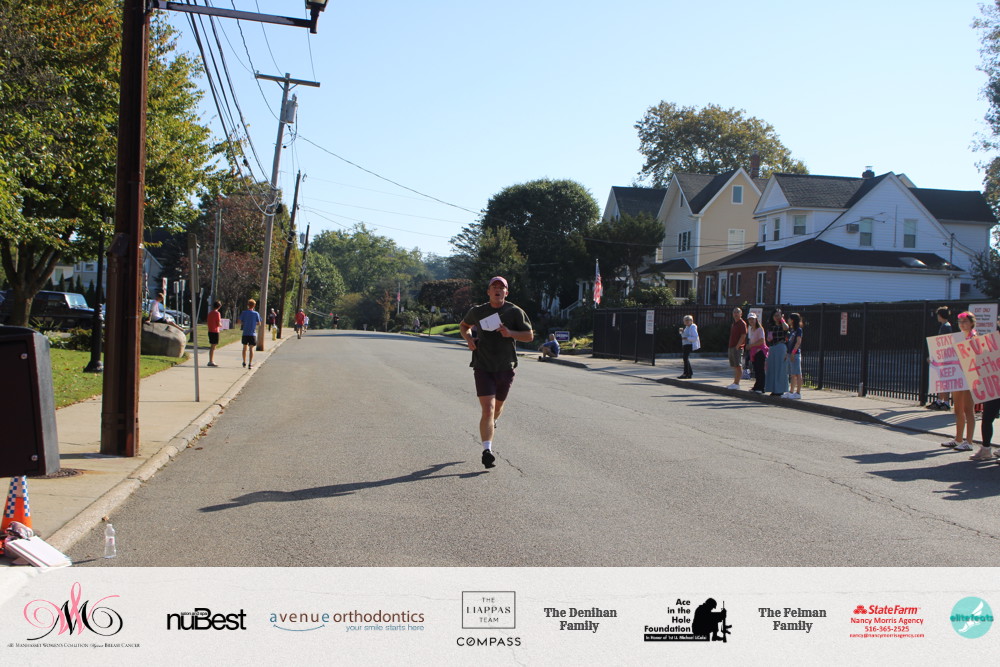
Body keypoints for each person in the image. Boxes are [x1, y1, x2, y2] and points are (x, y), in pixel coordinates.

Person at [459, 276, 534, 469]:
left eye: (502, 287)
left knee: (497, 408)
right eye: (494, 287)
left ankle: (493, 422)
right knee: (488, 409)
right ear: (488, 291)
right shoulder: (477, 311)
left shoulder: (514, 312)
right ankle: (487, 451)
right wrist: (469, 339)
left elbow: (529, 336)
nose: (498, 290)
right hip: (483, 366)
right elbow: (464, 326)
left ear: (506, 292)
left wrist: (510, 333)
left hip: (505, 367)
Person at [941, 311, 977, 451]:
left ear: (972, 323)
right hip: (957, 376)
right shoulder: (957, 338)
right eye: (960, 322)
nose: (962, 324)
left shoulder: (974, 337)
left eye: (965, 321)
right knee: (958, 409)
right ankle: (958, 439)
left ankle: (969, 442)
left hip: (969, 377)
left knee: (968, 409)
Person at [927, 306, 953, 410]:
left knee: (944, 380)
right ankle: (940, 401)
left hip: (944, 358)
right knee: (941, 380)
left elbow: (942, 343)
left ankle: (945, 402)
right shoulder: (946, 326)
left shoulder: (945, 327)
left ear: (940, 315)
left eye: (938, 315)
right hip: (944, 357)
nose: (937, 317)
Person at [763, 308, 790, 397]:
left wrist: (782, 320)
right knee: (772, 368)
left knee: (780, 369)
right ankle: (773, 389)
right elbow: (769, 338)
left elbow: (786, 328)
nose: (777, 317)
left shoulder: (783, 324)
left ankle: (780, 390)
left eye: (778, 315)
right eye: (775, 315)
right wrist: (769, 338)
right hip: (772, 347)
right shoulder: (771, 326)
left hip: (781, 346)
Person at [783, 312, 804, 399]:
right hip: (789, 353)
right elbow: (788, 342)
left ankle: (798, 393)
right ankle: (791, 392)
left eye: (789, 319)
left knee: (797, 373)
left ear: (792, 320)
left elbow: (798, 342)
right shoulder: (791, 330)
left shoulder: (798, 330)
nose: (788, 320)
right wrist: (787, 353)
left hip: (795, 354)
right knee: (792, 374)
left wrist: (793, 352)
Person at [746, 312, 768, 393]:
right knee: (756, 370)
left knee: (760, 370)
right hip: (754, 352)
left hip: (760, 352)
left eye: (753, 319)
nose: (751, 321)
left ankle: (761, 388)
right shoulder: (751, 329)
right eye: (750, 319)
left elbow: (762, 341)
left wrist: (751, 345)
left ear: (756, 320)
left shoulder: (760, 329)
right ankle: (757, 386)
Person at [238, 298, 262, 369]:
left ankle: (244, 362)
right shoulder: (256, 313)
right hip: (252, 333)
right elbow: (259, 323)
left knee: (244, 348)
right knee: (251, 349)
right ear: (254, 305)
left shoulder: (244, 313)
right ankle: (250, 363)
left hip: (245, 333)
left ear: (248, 305)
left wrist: (244, 323)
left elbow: (239, 321)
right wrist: (254, 323)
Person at [726, 308, 747, 390]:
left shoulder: (742, 323)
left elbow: (743, 335)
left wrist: (737, 346)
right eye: (734, 312)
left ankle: (737, 383)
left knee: (738, 365)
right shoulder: (734, 324)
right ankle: (735, 382)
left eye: (737, 312)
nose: (735, 314)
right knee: (735, 366)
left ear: (741, 314)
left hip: (737, 348)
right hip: (731, 347)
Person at [976, 396, 1000, 461]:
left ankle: (985, 449)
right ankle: (985, 449)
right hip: (994, 392)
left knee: (987, 419)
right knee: (986, 419)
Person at [206, 300, 222, 367]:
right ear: (219, 306)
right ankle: (211, 361)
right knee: (213, 346)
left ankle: (211, 360)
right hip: (215, 331)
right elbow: (218, 323)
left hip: (210, 330)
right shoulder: (217, 313)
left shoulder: (210, 313)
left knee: (212, 346)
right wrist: (221, 325)